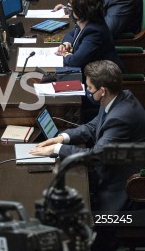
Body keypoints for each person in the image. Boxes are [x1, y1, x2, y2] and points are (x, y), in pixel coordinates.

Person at [30, 60, 145, 251]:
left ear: (103, 90)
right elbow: (93, 126)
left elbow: (97, 156)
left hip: (123, 192)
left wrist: (56, 151)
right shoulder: (118, 97)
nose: (88, 91)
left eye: (90, 88)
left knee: (78, 220)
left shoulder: (121, 117)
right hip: (113, 172)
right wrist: (62, 138)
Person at [55, 0, 122, 71]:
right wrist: (66, 43)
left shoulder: (94, 32)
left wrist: (65, 54)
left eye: (70, 7)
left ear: (80, 11)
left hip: (102, 77)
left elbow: (75, 61)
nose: (68, 10)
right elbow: (71, 34)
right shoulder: (86, 20)